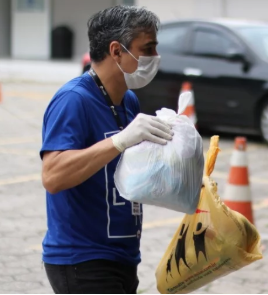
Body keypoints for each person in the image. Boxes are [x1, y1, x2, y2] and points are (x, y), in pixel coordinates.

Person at [40, 5, 174, 293]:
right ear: (116, 51)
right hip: (83, 260)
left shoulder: (129, 102)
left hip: (123, 254)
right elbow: (52, 176)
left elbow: (130, 174)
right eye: (147, 48)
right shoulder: (73, 100)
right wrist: (119, 141)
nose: (155, 57)